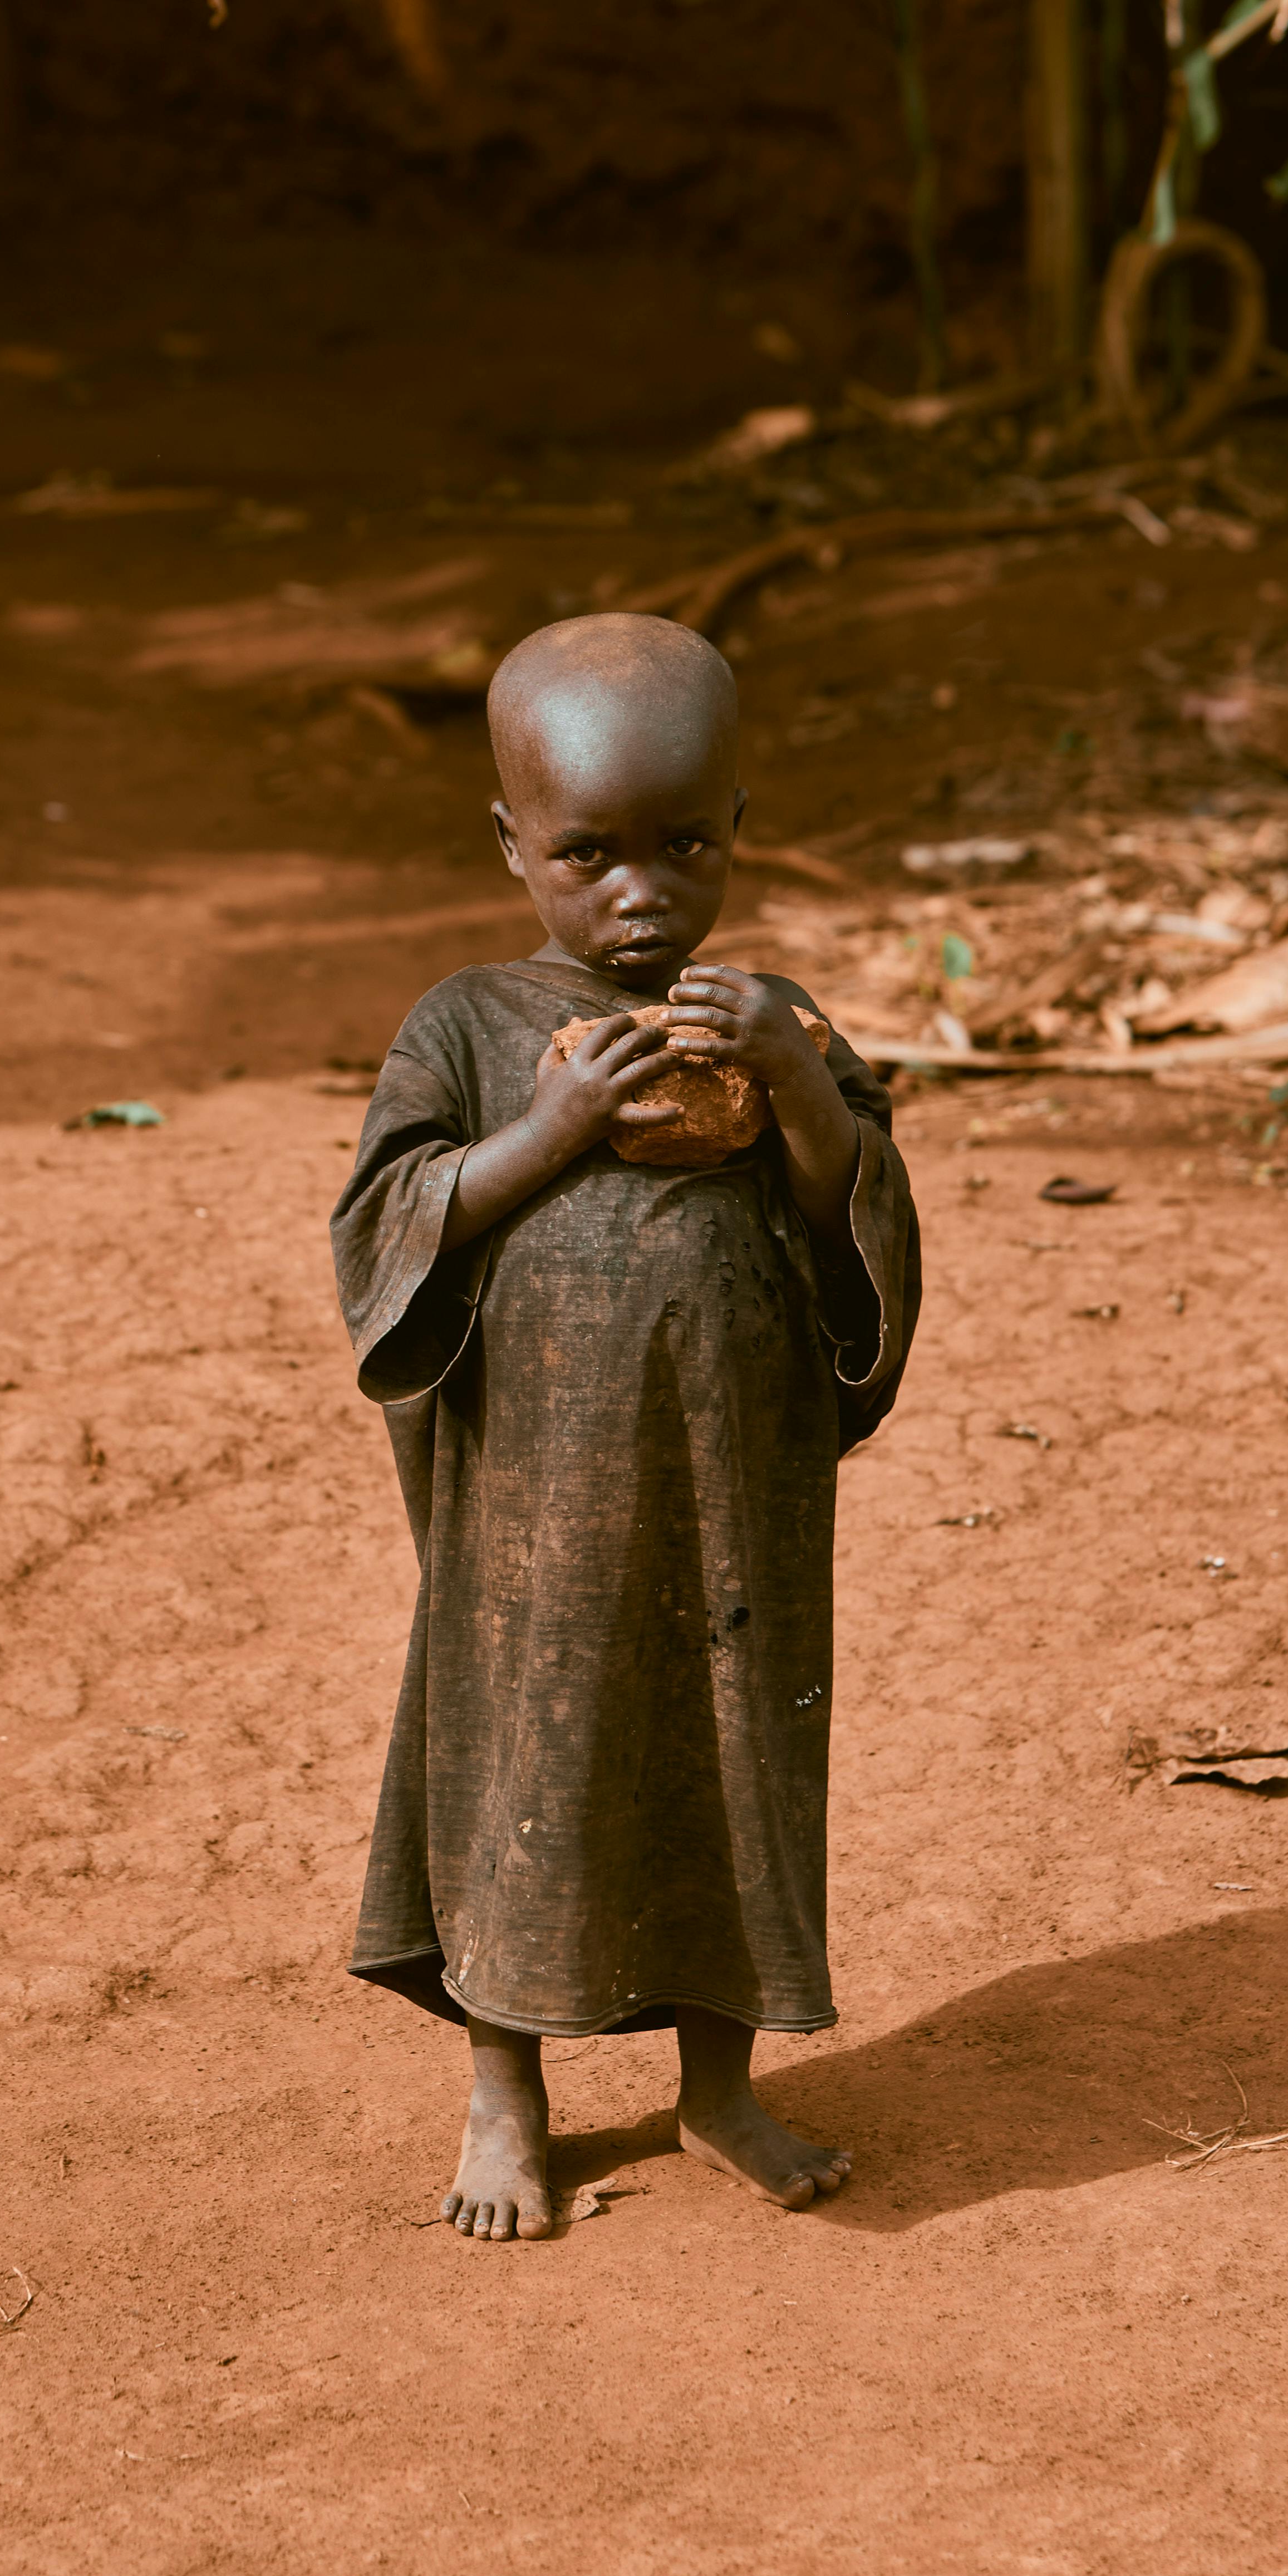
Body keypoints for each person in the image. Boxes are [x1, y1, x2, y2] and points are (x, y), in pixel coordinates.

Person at [330, 611, 921, 2239]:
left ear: (738, 825)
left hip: (734, 1489)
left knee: (734, 1751)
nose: (641, 893)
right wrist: (552, 1127)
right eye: (590, 853)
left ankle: (719, 2086)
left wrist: (799, 1092)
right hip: (535, 1501)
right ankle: (504, 2094)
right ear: (514, 843)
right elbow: (387, 1227)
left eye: (683, 845)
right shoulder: (467, 1024)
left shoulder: (773, 1016)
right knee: (524, 1753)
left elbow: (853, 1222)